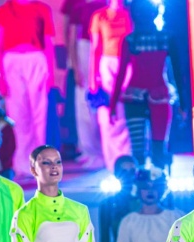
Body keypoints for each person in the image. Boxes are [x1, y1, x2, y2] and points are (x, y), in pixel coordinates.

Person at [109, 0, 185, 171]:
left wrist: (112, 105)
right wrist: (183, 103)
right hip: (157, 95)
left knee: (142, 150)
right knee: (157, 148)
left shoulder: (131, 40)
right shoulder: (166, 38)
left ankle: (144, 180)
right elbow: (177, 73)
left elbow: (121, 74)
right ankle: (156, 180)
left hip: (137, 96)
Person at [0, 0, 56, 177]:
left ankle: (42, 161)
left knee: (39, 114)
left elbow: (48, 43)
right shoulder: (4, 10)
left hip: (36, 59)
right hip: (12, 61)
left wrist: (51, 74)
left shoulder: (42, 9)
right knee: (18, 115)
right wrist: (0, 78)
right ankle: (22, 165)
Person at [90, 0, 134, 170]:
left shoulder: (129, 14)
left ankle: (127, 158)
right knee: (108, 112)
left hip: (126, 64)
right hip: (107, 64)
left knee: (125, 111)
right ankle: (112, 162)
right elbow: (95, 48)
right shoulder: (99, 16)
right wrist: (93, 78)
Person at [62, 0, 106, 170]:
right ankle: (89, 150)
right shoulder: (79, 7)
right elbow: (72, 38)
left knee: (103, 104)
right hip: (84, 50)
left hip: (105, 49)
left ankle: (104, 151)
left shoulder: (107, 5)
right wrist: (74, 66)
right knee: (83, 104)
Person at [100, 154, 139, 242]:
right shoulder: (107, 204)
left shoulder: (145, 202)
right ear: (117, 174)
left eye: (132, 171)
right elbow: (105, 241)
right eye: (124, 171)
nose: (129, 176)